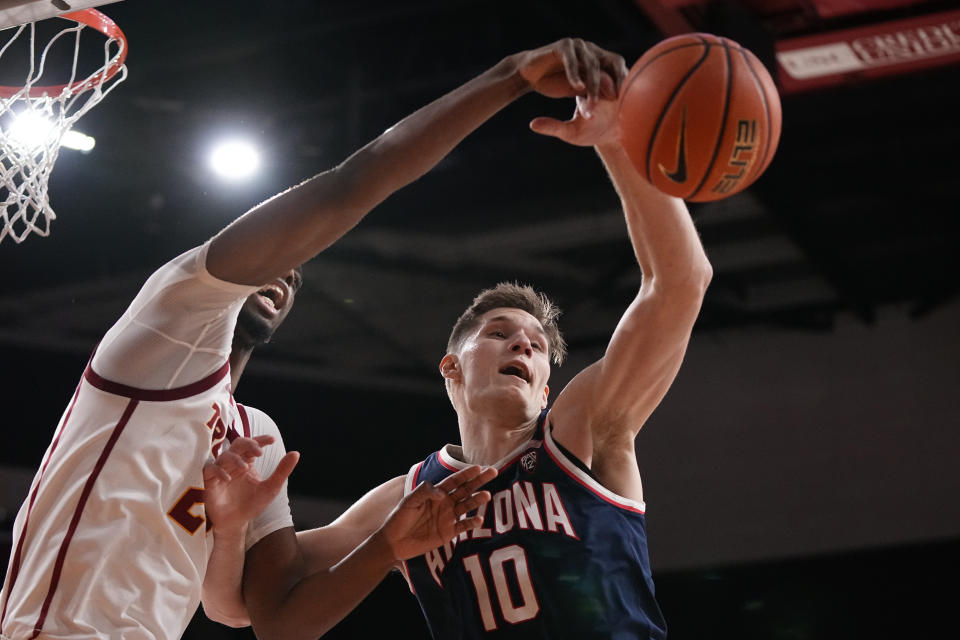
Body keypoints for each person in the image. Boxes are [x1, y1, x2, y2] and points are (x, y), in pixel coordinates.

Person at [0, 32, 597, 640]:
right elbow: (350, 184)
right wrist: (510, 77)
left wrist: (243, 533)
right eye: (277, 255)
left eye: (296, 274)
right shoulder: (170, 322)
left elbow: (257, 615)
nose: (286, 271)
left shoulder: (256, 435)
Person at [202, 38, 712, 640]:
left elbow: (680, 282)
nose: (522, 346)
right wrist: (231, 529)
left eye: (536, 347)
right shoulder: (408, 495)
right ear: (451, 367)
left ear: (548, 386)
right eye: (500, 334)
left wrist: (617, 140)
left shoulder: (584, 429)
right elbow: (248, 609)